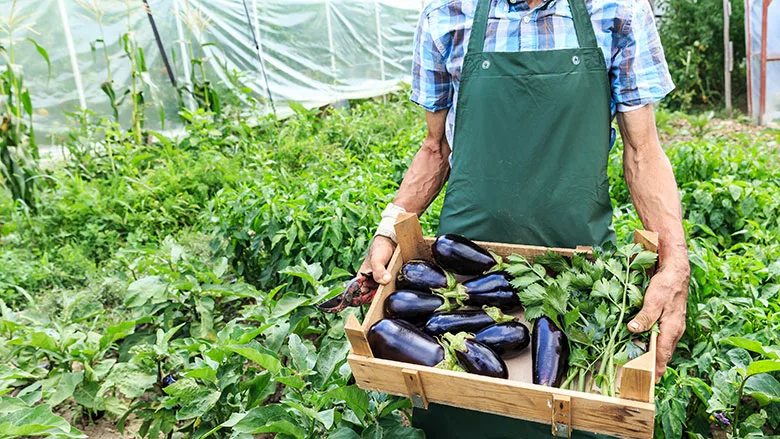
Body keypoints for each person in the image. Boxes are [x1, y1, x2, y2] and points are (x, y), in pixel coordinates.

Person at [360, 0, 690, 436]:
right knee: (462, 415)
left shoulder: (618, 11)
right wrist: (389, 229)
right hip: (462, 270)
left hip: (577, 274)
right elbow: (434, 149)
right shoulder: (443, 15)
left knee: (580, 410)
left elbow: (643, 152)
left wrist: (674, 262)